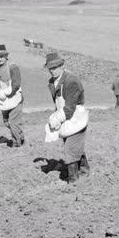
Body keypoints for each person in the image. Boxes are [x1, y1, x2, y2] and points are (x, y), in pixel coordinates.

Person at [45, 52, 89, 183]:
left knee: (70, 148)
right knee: (73, 146)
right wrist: (56, 116)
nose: (52, 70)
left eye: (55, 67)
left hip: (76, 117)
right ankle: (85, 170)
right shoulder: (53, 82)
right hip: (64, 116)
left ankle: (73, 180)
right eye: (50, 68)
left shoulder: (71, 81)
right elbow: (58, 103)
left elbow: (69, 108)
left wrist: (56, 119)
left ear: (62, 65)